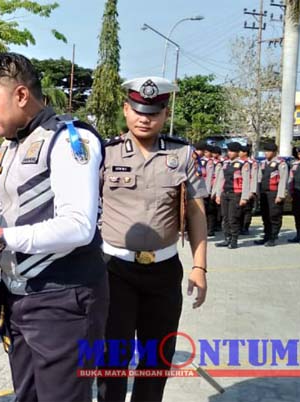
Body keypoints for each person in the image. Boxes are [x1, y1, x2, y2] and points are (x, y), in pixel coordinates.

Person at [0, 53, 108, 402]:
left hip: (63, 296)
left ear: (20, 96)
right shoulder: (11, 145)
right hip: (20, 295)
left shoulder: (69, 140)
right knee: (26, 395)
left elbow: (78, 226)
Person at [94, 77, 208, 402]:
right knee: (112, 360)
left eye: (154, 112)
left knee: (156, 360)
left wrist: (199, 266)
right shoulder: (105, 153)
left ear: (164, 113)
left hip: (163, 272)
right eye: (138, 111)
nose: (145, 118)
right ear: (126, 110)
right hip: (114, 271)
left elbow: (197, 213)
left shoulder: (182, 155)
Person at [213, 142, 251, 249]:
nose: (229, 153)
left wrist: (244, 197)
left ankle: (234, 240)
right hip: (225, 193)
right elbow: (220, 180)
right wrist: (218, 194)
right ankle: (226, 238)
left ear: (238, 152)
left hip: (236, 194)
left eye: (232, 151)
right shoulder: (225, 164)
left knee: (233, 218)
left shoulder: (243, 164)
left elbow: (246, 181)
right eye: (228, 151)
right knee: (224, 218)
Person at [253, 142, 288, 247]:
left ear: (274, 152)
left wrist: (280, 195)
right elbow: (259, 178)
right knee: (265, 215)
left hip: (274, 192)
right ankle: (266, 235)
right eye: (265, 151)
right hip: (264, 192)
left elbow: (283, 180)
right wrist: (257, 192)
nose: (266, 153)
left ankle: (273, 237)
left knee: (274, 215)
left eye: (268, 151)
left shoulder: (281, 164)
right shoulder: (263, 163)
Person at [238, 145, 257, 235]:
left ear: (245, 153)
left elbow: (254, 177)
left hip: (248, 189)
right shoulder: (237, 162)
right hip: (239, 189)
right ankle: (239, 226)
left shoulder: (252, 163)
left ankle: (245, 227)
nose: (239, 153)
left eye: (240, 151)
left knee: (247, 210)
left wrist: (252, 191)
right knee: (239, 210)